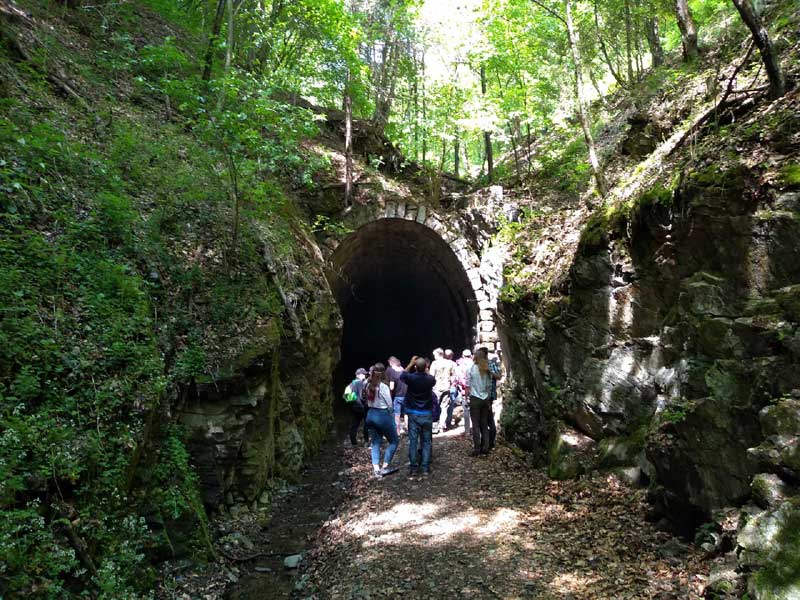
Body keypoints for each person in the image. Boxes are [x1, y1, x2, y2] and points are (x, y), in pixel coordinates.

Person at [400, 356, 436, 477]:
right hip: (426, 413)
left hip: (413, 413)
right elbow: (432, 379)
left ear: (415, 367)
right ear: (426, 367)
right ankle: (425, 467)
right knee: (426, 442)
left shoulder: (411, 378)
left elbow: (402, 375)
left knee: (413, 441)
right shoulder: (430, 379)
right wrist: (425, 369)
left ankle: (414, 468)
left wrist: (410, 364)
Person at [364, 363, 399, 478]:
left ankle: (376, 469)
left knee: (375, 443)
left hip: (370, 414)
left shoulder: (367, 384)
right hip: (382, 415)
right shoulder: (383, 387)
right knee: (394, 441)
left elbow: (364, 398)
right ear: (384, 373)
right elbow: (389, 404)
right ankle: (385, 466)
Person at [467, 347, 500, 456]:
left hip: (475, 399)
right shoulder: (487, 370)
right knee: (484, 424)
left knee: (476, 425)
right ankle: (486, 447)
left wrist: (467, 398)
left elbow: (468, 386)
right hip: (485, 399)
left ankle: (477, 449)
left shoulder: (471, 369)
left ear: (475, 357)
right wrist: (488, 400)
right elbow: (489, 386)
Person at [429, 348, 455, 434]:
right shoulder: (450, 363)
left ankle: (435, 426)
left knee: (435, 407)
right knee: (444, 407)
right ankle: (442, 426)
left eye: (434, 355)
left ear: (437, 354)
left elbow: (431, 376)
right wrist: (450, 383)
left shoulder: (434, 363)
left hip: (436, 388)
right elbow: (453, 376)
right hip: (446, 387)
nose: (434, 356)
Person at [346, 368, 369, 446]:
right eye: (363, 374)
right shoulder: (359, 383)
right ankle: (366, 441)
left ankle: (353, 443)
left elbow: (348, 396)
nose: (365, 375)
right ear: (358, 375)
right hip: (361, 407)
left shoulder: (352, 382)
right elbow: (362, 396)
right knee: (366, 424)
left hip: (354, 406)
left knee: (355, 424)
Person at [386, 356, 407, 435]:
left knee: (397, 414)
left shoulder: (393, 373)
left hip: (397, 396)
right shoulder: (404, 372)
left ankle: (397, 431)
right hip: (406, 396)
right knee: (406, 414)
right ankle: (407, 429)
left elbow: (391, 387)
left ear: (392, 363)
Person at [455, 349, 474, 433]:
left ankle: (467, 430)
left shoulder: (459, 366)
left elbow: (457, 379)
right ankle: (475, 429)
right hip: (475, 391)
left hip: (464, 391)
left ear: (463, 356)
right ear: (471, 355)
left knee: (466, 410)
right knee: (475, 410)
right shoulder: (475, 365)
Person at [488, 352, 503, 450]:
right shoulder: (476, 365)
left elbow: (499, 376)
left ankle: (489, 443)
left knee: (488, 418)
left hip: (488, 396)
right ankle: (487, 443)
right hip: (481, 396)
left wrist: (490, 373)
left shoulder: (491, 364)